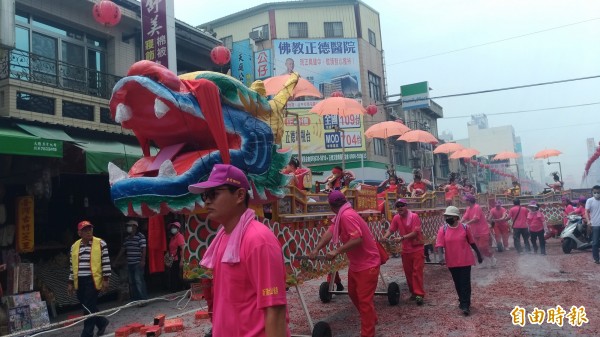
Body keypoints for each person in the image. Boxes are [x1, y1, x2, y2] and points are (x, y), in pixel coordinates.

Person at [188, 164, 289, 336]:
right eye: (205, 195)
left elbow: (276, 310)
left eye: (214, 194)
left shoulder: (258, 240)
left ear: (240, 195)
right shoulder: (223, 237)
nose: (207, 201)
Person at [309, 191, 380, 337]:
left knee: (364, 301)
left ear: (331, 205)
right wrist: (316, 249)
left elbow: (357, 239)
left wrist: (336, 251)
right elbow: (329, 233)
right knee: (353, 294)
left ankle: (368, 333)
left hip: (368, 264)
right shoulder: (341, 215)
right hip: (356, 264)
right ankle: (371, 319)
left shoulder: (347, 215)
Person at [435, 206, 483, 316]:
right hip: (452, 261)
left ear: (456, 218)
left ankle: (465, 304)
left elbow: (472, 242)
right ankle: (462, 300)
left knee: (465, 282)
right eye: (446, 216)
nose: (447, 218)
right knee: (457, 282)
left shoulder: (465, 228)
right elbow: (440, 245)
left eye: (449, 216)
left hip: (465, 259)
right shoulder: (443, 229)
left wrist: (479, 254)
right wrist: (441, 257)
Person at [67, 220, 111, 337]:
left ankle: (87, 333)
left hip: (93, 280)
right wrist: (70, 282)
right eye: (85, 230)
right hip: (79, 281)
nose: (88, 232)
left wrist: (106, 280)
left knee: (88, 306)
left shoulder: (100, 243)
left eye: (90, 229)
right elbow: (72, 266)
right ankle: (102, 322)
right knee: (87, 305)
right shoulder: (74, 246)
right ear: (79, 233)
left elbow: (106, 262)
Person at [382, 198, 425, 305]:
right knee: (409, 273)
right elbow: (391, 229)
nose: (400, 207)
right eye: (398, 206)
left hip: (417, 249)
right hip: (406, 250)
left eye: (402, 205)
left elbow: (415, 233)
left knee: (417, 272)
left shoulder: (414, 216)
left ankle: (419, 294)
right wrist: (384, 237)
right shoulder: (396, 218)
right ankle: (414, 293)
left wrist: (402, 238)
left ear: (406, 206)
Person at [115, 220, 148, 302]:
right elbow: (123, 250)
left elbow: (144, 249)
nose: (128, 227)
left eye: (130, 226)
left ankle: (143, 299)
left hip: (137, 263)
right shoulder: (127, 238)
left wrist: (143, 260)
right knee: (132, 282)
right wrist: (116, 260)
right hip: (129, 263)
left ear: (135, 227)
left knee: (139, 281)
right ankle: (135, 299)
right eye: (128, 226)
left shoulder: (141, 236)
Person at [461, 194, 496, 267]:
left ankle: (492, 258)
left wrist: (465, 224)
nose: (465, 201)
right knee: (477, 248)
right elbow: (465, 216)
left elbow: (476, 219)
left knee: (483, 247)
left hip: (483, 231)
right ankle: (484, 262)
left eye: (466, 200)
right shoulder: (468, 208)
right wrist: (460, 223)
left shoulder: (477, 207)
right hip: (474, 232)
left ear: (469, 201)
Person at [166, 221, 186, 292]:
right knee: (173, 274)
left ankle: (178, 289)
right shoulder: (172, 238)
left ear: (178, 229)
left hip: (178, 258)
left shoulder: (179, 237)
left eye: (174, 227)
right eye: (172, 227)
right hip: (172, 259)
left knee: (176, 274)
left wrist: (182, 260)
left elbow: (183, 248)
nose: (173, 229)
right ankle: (174, 289)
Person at [585, 185, 600, 264]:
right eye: (595, 192)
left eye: (598, 192)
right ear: (592, 192)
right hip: (595, 225)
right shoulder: (589, 201)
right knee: (595, 243)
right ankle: (596, 259)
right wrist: (588, 221)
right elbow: (586, 211)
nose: (597, 193)